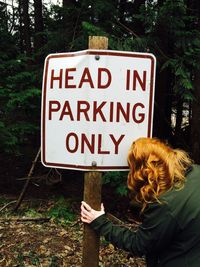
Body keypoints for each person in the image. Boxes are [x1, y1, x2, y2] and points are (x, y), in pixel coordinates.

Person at [81, 137, 200, 267]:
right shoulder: (195, 171)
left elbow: (139, 244)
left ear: (143, 171)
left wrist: (101, 223)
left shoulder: (166, 205)